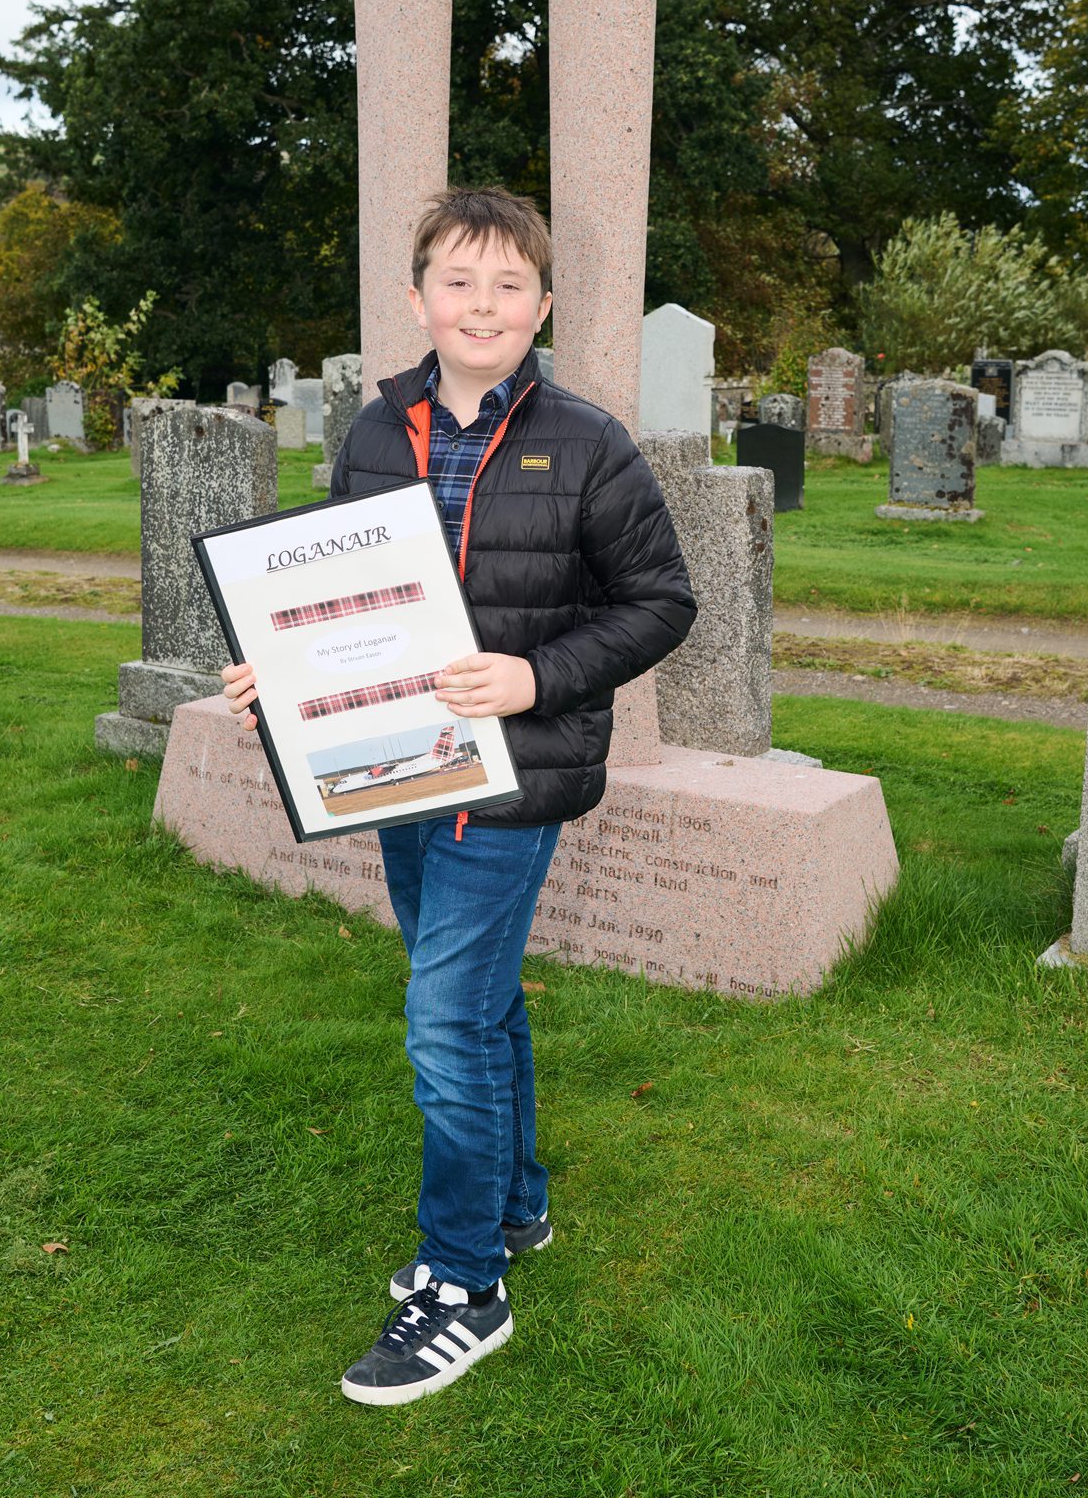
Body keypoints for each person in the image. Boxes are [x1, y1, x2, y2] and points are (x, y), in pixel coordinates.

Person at [221, 186, 696, 1405]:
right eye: (457, 281)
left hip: (513, 777)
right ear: (417, 292)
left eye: (507, 286)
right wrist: (274, 673)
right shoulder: (377, 432)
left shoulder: (590, 443)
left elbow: (662, 604)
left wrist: (536, 674)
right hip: (394, 767)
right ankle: (516, 1208)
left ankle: (464, 1283)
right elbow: (333, 588)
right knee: (479, 1007)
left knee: (441, 1020)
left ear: (544, 303)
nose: (480, 306)